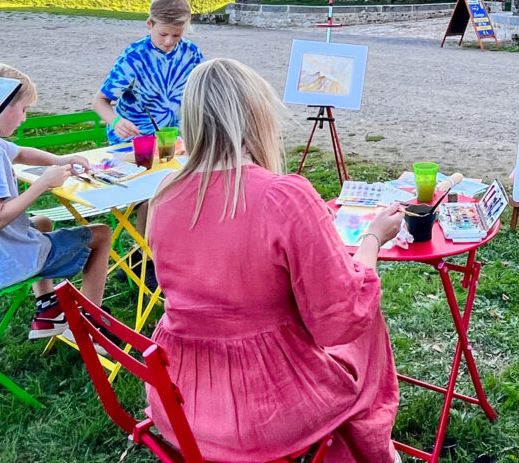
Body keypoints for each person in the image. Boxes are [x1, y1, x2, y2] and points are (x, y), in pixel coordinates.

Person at [146, 58, 405, 463]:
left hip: (179, 398)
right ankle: (371, 451)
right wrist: (373, 238)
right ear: (256, 115)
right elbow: (340, 317)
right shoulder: (283, 197)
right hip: (266, 408)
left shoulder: (165, 193)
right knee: (366, 324)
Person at [0, 64, 112, 341]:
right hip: (1, 264)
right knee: (102, 234)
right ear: (1, 106)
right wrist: (43, 183)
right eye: (23, 109)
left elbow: (21, 152)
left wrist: (59, 160)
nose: (24, 118)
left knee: (42, 222)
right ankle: (89, 326)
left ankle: (48, 310)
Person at [91, 0, 203, 143]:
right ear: (150, 24)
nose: (169, 41)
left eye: (176, 35)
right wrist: (116, 121)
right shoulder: (134, 57)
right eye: (163, 34)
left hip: (174, 138)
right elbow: (99, 101)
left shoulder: (191, 52)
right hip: (134, 140)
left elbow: (203, 92)